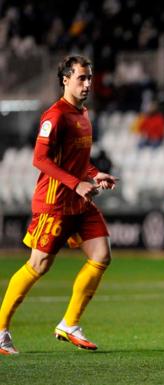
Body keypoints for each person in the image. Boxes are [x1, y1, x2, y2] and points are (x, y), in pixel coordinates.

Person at [0, 55, 117, 355]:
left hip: (80, 202)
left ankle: (69, 323)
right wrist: (77, 183)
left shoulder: (83, 114)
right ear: (65, 79)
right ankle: (0, 329)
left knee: (102, 254)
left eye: (90, 77)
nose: (88, 83)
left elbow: (78, 160)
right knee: (38, 265)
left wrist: (92, 174)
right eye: (81, 78)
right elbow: (39, 159)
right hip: (55, 202)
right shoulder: (55, 116)